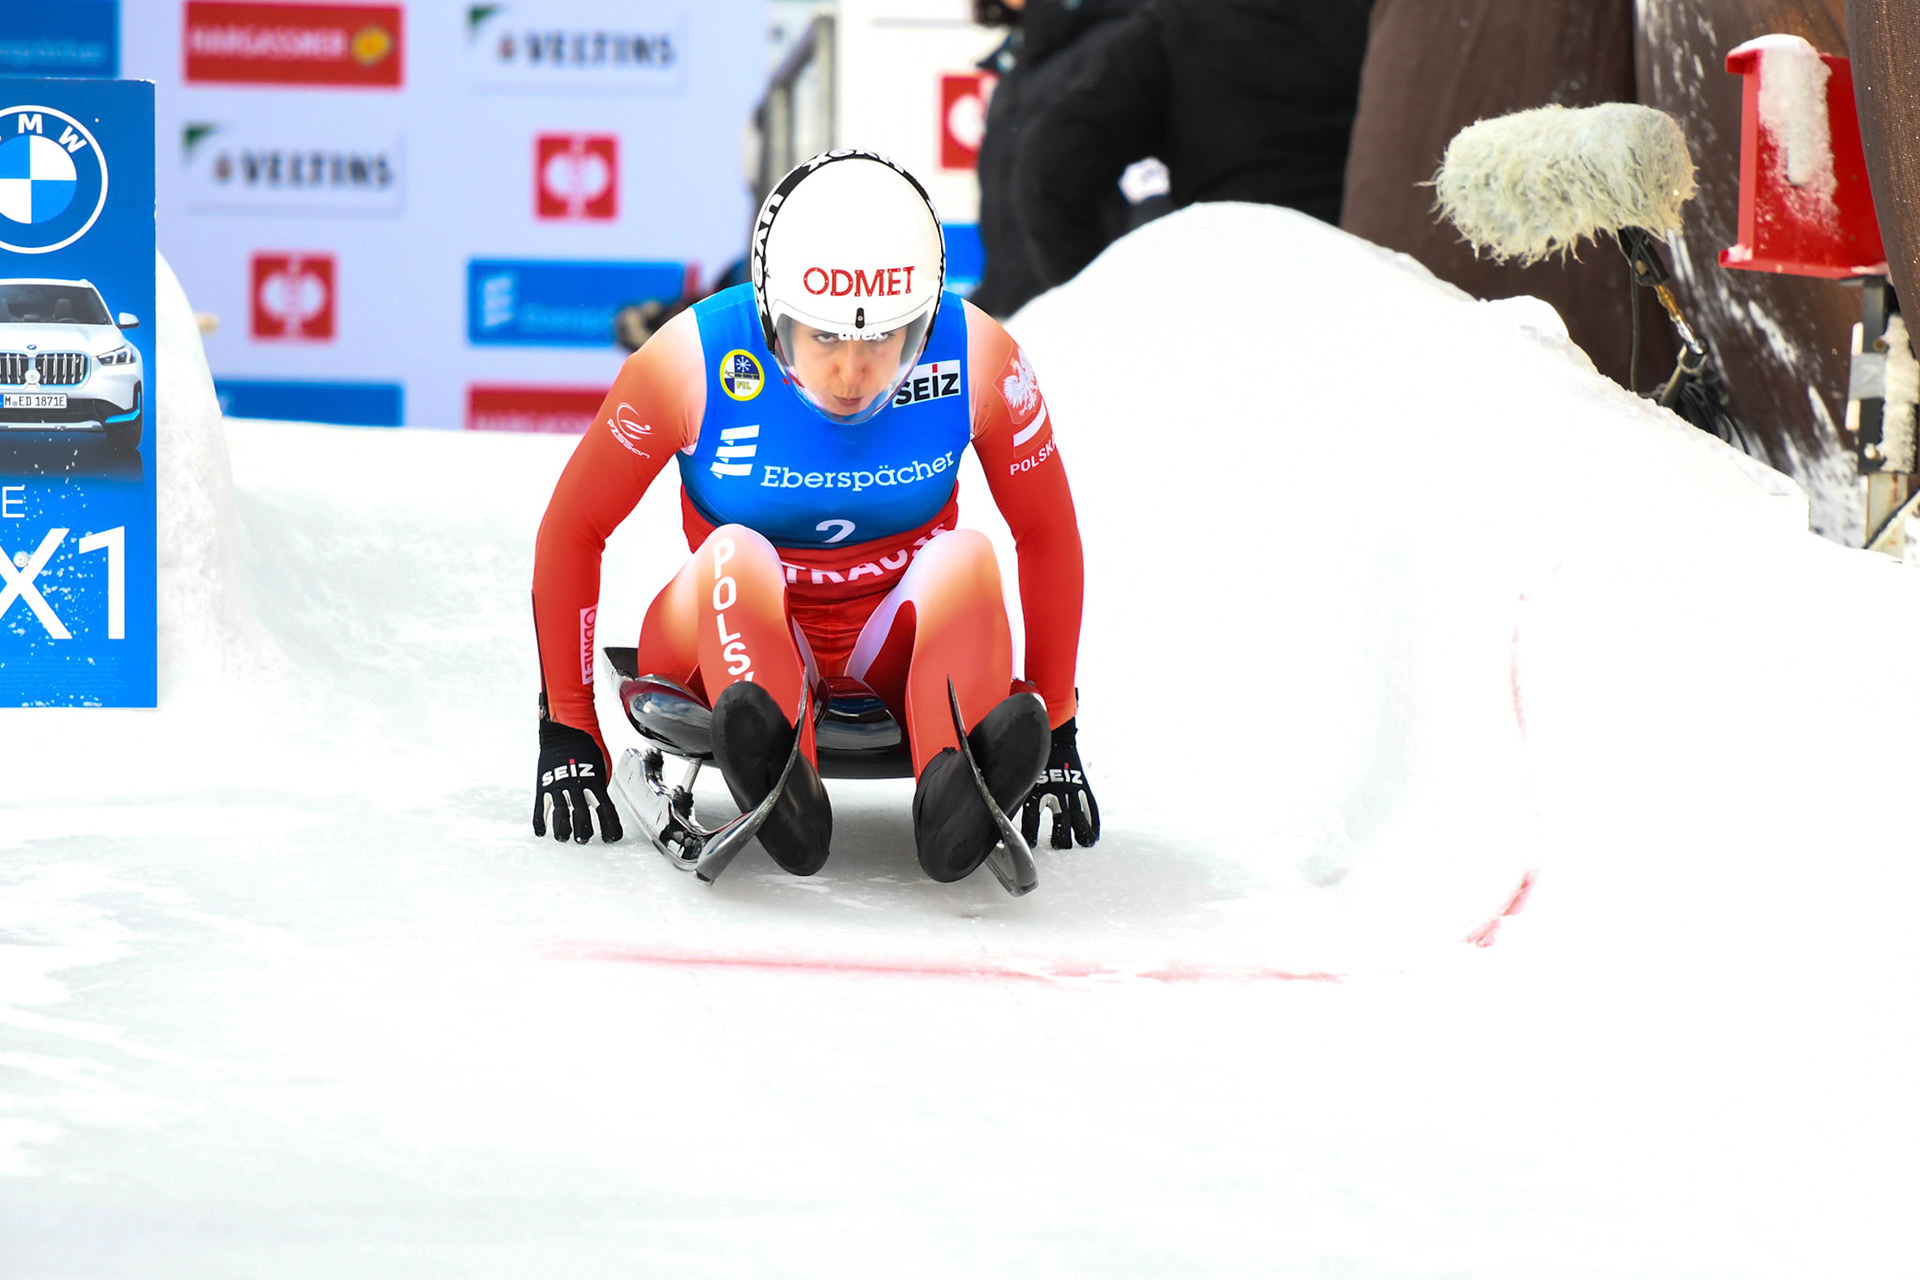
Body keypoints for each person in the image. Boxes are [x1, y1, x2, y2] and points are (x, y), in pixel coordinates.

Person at [529, 150, 1100, 884]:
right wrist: (568, 726)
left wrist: (1058, 726)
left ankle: (951, 790)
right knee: (738, 553)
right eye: (824, 337)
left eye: (883, 340)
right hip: (726, 635)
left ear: (923, 326)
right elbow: (574, 526)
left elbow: (1047, 532)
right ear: (771, 319)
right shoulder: (689, 360)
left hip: (886, 651)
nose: (852, 373)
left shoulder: (983, 357)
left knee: (969, 557)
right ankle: (778, 768)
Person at [1011, 0, 1373, 290]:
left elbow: (1050, 172)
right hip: (1370, 298)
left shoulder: (1176, 25)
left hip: (1224, 305)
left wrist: (1102, 309)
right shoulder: (1392, 21)